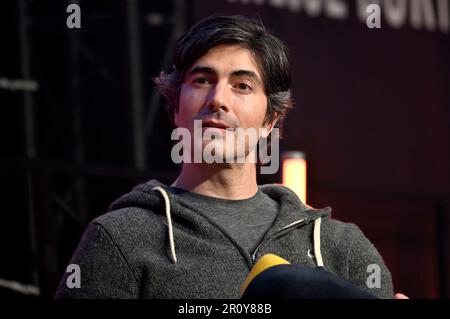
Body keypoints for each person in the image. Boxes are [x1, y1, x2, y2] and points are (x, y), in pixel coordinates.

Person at [55, 15, 396, 299]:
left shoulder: (339, 246)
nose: (218, 99)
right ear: (176, 107)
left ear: (270, 121)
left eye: (242, 85)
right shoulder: (121, 238)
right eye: (202, 80)